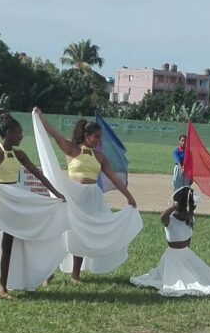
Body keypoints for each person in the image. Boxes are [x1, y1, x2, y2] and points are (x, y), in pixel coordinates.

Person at [0, 111, 66, 303]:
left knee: (8, 246)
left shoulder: (18, 154)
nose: (21, 136)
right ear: (9, 133)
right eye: (19, 133)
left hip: (14, 204)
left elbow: (37, 174)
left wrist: (56, 193)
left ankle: (3, 288)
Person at [36, 107, 140, 283]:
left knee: (84, 234)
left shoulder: (100, 157)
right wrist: (40, 117)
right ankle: (48, 272)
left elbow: (114, 178)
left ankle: (75, 275)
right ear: (86, 135)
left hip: (91, 198)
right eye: (96, 137)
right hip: (73, 196)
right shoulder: (71, 150)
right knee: (61, 233)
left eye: (100, 137)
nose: (99, 140)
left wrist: (128, 196)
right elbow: (54, 134)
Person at [130, 186, 210, 297]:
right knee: (179, 281)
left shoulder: (189, 218)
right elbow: (162, 216)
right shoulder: (170, 219)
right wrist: (176, 205)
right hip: (172, 256)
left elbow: (188, 240)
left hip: (186, 254)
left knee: (200, 278)